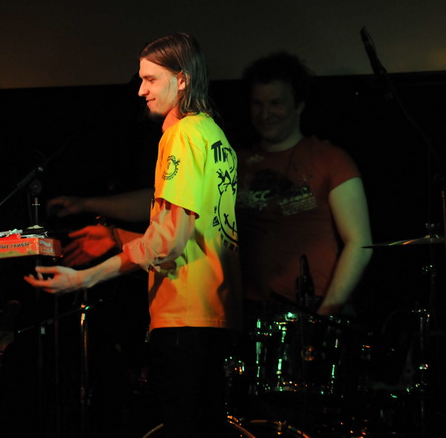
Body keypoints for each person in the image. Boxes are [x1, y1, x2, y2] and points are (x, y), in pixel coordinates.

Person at [27, 33, 241, 438]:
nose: (141, 90)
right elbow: (190, 233)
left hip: (184, 315)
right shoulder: (213, 133)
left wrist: (85, 276)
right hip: (213, 310)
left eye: (150, 79)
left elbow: (168, 242)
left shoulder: (181, 135)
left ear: (182, 79)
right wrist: (117, 237)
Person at [236, 52, 372, 318]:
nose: (265, 114)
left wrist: (327, 313)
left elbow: (360, 242)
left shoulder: (330, 159)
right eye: (257, 104)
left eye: (276, 103)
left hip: (313, 306)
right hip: (249, 310)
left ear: (299, 105)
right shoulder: (234, 162)